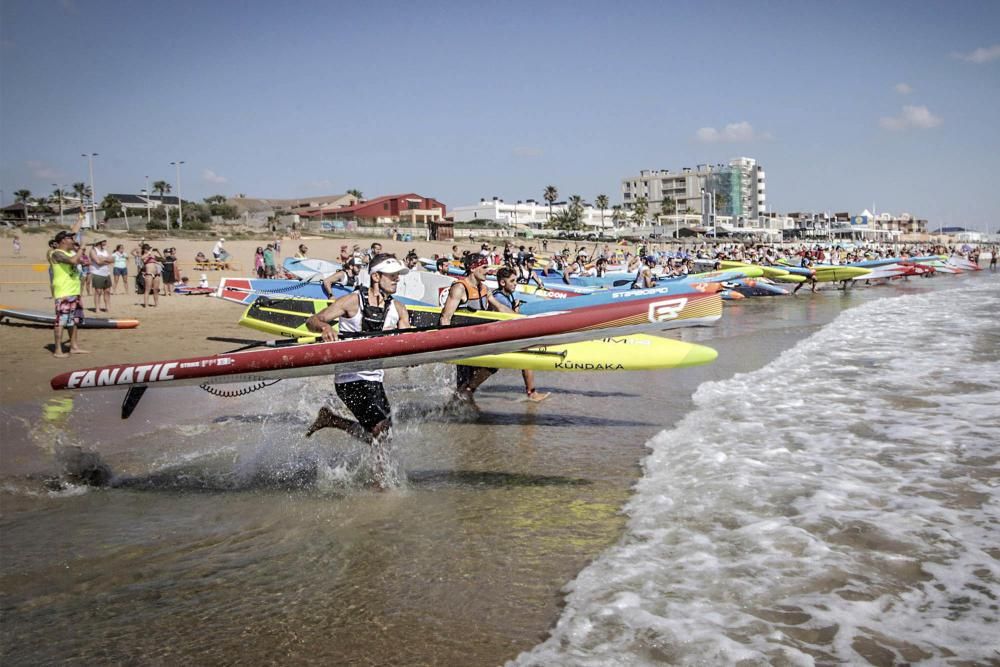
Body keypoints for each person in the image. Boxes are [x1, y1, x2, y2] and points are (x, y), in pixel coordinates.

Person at [304, 254, 412, 448]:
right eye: (391, 275)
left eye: (398, 275)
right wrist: (325, 328)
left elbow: (408, 342)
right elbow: (312, 321)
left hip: (375, 379)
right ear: (376, 277)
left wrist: (408, 346)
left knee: (383, 435)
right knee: (381, 431)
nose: (397, 279)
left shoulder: (399, 309)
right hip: (349, 379)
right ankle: (379, 479)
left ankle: (331, 420)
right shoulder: (352, 302)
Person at [440, 253, 509, 402]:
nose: (487, 270)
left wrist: (521, 319)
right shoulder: (460, 288)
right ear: (473, 268)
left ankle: (461, 403)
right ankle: (457, 410)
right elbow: (445, 317)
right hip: (462, 342)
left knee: (492, 365)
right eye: (484, 267)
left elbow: (499, 307)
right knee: (465, 382)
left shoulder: (484, 288)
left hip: (479, 340)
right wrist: (446, 345)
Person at [493, 267, 549, 402]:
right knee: (525, 357)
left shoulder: (508, 295)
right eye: (512, 281)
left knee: (525, 358)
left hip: (505, 333)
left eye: (516, 280)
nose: (515, 283)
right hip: (497, 336)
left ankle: (531, 393)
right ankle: (532, 393)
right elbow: (511, 317)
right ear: (502, 283)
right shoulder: (499, 297)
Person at [49, 230, 89, 358]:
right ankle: (58, 350)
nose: (73, 240)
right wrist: (81, 249)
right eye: (70, 239)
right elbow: (72, 261)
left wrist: (81, 216)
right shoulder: (56, 254)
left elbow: (74, 230)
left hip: (74, 292)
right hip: (64, 293)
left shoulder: (70, 252)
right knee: (61, 322)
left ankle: (73, 347)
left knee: (73, 321)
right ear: (63, 240)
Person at [88, 239, 113, 312]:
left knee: (107, 291)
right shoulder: (93, 250)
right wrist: (106, 261)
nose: (105, 242)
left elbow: (112, 260)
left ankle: (107, 307)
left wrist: (103, 259)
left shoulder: (105, 251)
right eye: (104, 241)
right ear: (99, 242)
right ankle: (97, 308)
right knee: (98, 291)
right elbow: (98, 262)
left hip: (106, 273)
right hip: (97, 273)